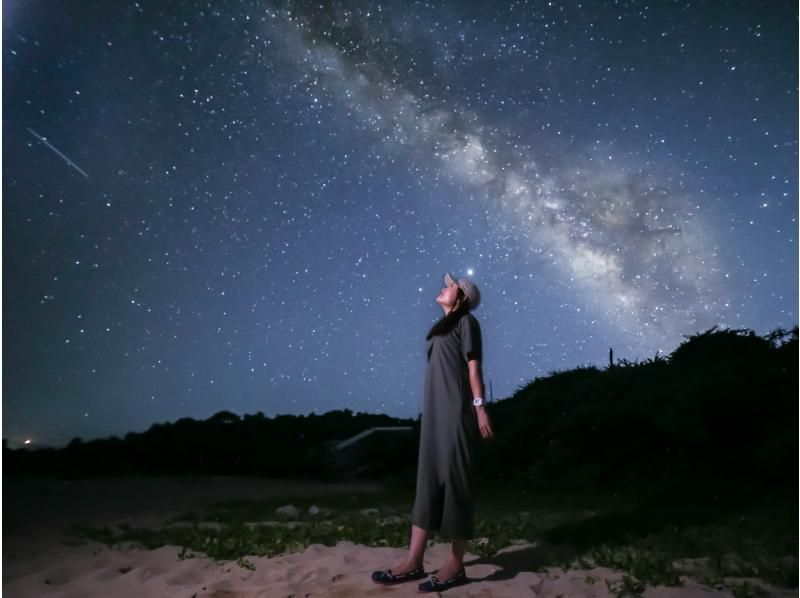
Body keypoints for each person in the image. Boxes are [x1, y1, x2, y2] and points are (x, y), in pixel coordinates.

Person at [371, 272, 495, 593]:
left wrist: (479, 407)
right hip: (434, 415)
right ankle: (413, 561)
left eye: (450, 285)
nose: (443, 286)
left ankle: (455, 564)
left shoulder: (467, 323)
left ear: (462, 297)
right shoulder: (440, 328)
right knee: (426, 481)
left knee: (456, 481)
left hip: (456, 412)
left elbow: (473, 367)